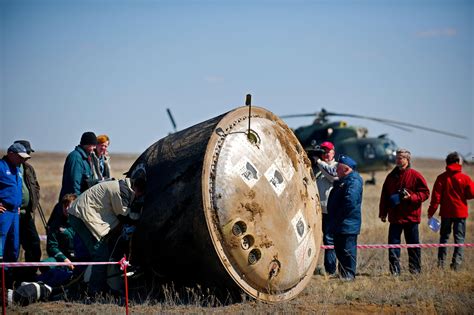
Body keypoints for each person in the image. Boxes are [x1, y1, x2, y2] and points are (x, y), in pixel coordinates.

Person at [67, 178, 145, 296]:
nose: (139, 196)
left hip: (84, 215)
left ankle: (93, 287)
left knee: (101, 253)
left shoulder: (123, 188)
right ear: (136, 189)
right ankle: (95, 293)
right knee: (101, 255)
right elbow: (125, 216)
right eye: (140, 193)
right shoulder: (123, 192)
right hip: (82, 216)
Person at [379, 149, 430, 275]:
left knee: (413, 246)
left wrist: (411, 197)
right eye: (397, 157)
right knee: (393, 246)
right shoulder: (391, 176)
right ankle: (395, 271)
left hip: (410, 217)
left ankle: (415, 271)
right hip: (395, 217)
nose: (397, 160)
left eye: (400, 157)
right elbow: (384, 195)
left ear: (407, 160)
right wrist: (383, 212)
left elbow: (425, 193)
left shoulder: (415, 175)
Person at [427, 152, 474, 270]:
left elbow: (435, 198)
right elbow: (471, 194)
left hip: (446, 213)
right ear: (457, 162)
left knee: (444, 238)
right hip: (460, 213)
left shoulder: (441, 178)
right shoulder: (465, 178)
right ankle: (456, 265)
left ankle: (441, 264)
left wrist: (430, 212)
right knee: (459, 239)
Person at [327, 154, 363, 280]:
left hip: (347, 223)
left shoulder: (354, 181)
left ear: (346, 169)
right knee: (340, 250)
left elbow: (350, 202)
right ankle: (343, 274)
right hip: (339, 223)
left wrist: (338, 216)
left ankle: (349, 275)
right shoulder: (343, 181)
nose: (336, 170)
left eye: (339, 168)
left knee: (347, 250)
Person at [308, 141, 338, 275]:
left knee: (329, 239)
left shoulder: (337, 166)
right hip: (315, 210)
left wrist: (319, 162)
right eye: (323, 152)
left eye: (328, 151)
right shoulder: (317, 167)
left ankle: (330, 270)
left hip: (330, 211)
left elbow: (332, 176)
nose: (325, 154)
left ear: (333, 152)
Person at [14, 140, 42, 281]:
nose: (29, 155)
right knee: (12, 247)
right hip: (10, 215)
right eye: (27, 152)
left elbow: (35, 186)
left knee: (34, 245)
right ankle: (10, 278)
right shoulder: (6, 167)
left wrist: (34, 202)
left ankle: (28, 276)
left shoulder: (28, 168)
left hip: (26, 215)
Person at [0, 144, 30, 267]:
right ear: (10, 154)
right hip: (3, 212)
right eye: (20, 157)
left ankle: (8, 280)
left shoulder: (17, 168)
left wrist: (17, 205)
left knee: (13, 247)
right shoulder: (1, 166)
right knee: (1, 246)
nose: (23, 160)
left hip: (14, 213)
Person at [58, 131, 98, 201]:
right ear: (86, 144)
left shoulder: (86, 158)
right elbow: (74, 184)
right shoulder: (76, 158)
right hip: (71, 203)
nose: (94, 148)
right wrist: (77, 201)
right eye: (92, 145)